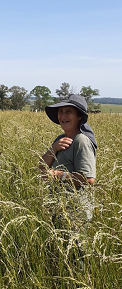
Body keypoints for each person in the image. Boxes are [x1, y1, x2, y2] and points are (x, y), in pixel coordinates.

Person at [39, 94, 97, 223]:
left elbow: (88, 179)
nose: (63, 116)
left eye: (68, 112)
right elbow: (42, 168)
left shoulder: (81, 140)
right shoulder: (60, 139)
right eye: (60, 111)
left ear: (79, 116)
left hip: (75, 212)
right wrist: (53, 148)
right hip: (59, 209)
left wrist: (59, 175)